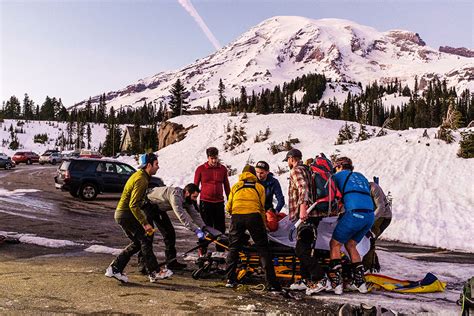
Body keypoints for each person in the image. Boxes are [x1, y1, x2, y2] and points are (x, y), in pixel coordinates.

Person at [105, 153, 172, 283]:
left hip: (122, 214)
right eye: (156, 164)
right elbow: (133, 204)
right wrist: (145, 223)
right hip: (126, 214)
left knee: (138, 243)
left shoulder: (141, 176)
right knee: (145, 240)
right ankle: (155, 272)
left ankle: (115, 268)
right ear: (149, 165)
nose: (158, 167)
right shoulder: (141, 179)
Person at [224, 165, 281, 292]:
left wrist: (234, 214)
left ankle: (230, 279)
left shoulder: (235, 186)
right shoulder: (259, 187)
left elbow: (228, 207)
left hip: (237, 216)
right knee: (263, 248)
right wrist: (263, 224)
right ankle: (271, 283)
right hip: (253, 216)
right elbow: (261, 208)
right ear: (253, 175)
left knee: (233, 247)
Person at [284, 149, 328, 295]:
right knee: (304, 247)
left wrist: (302, 208)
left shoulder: (296, 170)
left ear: (291, 159)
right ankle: (305, 279)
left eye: (288, 160)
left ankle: (321, 278)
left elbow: (304, 188)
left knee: (300, 249)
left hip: (307, 215)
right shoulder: (308, 170)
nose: (288, 163)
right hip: (313, 214)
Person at [329, 157, 374, 295]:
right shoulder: (361, 176)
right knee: (351, 245)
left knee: (334, 244)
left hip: (354, 213)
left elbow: (332, 195)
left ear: (339, 167)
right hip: (370, 215)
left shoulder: (337, 176)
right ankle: (360, 283)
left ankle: (337, 284)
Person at [140, 183, 206, 271]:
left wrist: (204, 227)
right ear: (187, 193)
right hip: (147, 205)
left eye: (196, 197)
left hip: (159, 208)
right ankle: (143, 264)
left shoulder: (188, 200)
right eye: (194, 196)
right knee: (148, 236)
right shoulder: (176, 197)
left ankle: (171, 262)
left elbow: (194, 214)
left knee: (169, 233)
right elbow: (182, 216)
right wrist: (196, 230)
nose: (195, 199)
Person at [194, 147, 230, 253]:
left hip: (219, 203)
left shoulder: (223, 169)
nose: (214, 161)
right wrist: (193, 202)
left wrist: (231, 200)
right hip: (205, 202)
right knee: (205, 228)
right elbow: (195, 187)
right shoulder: (200, 169)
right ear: (208, 157)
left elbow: (227, 186)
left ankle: (220, 252)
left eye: (216, 158)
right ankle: (203, 251)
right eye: (211, 158)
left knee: (220, 229)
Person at [362, 181, 392, 272]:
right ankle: (375, 265)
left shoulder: (374, 188)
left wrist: (369, 220)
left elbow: (381, 208)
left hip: (383, 217)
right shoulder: (358, 191)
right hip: (371, 216)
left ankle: (369, 267)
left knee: (369, 239)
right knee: (365, 240)